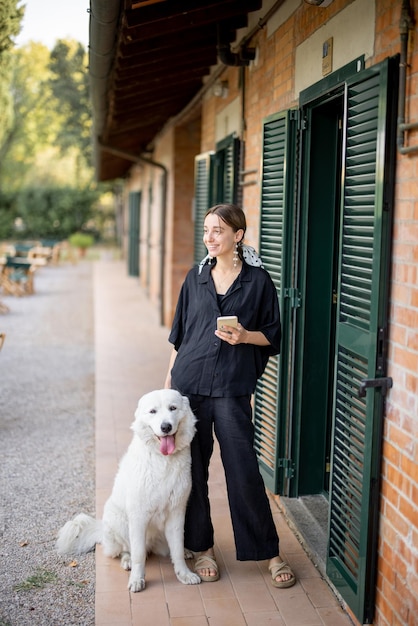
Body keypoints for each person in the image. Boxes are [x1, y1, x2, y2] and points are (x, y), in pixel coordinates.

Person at [164, 203, 296, 588]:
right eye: (206, 230)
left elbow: (272, 335)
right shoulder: (195, 277)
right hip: (190, 386)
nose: (209, 237)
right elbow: (178, 336)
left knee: (243, 471)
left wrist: (243, 336)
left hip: (233, 388)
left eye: (218, 230)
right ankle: (201, 547)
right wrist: (168, 386)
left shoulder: (258, 281)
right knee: (193, 469)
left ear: (237, 235)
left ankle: (270, 553)